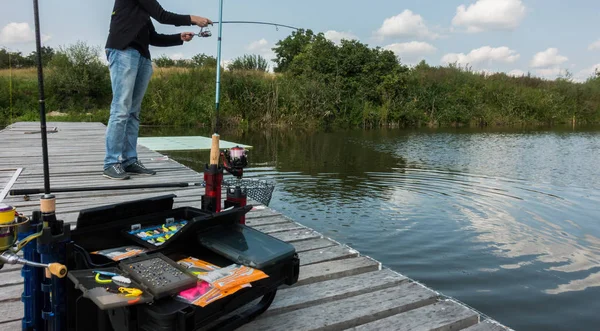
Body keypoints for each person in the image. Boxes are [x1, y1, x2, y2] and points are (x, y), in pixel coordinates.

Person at [103, 0, 212, 180]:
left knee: (133, 113)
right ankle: (111, 163)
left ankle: (129, 161)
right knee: (121, 110)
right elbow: (162, 15)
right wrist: (194, 19)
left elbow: (153, 38)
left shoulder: (142, 11)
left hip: (142, 56)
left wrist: (179, 38)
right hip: (123, 51)